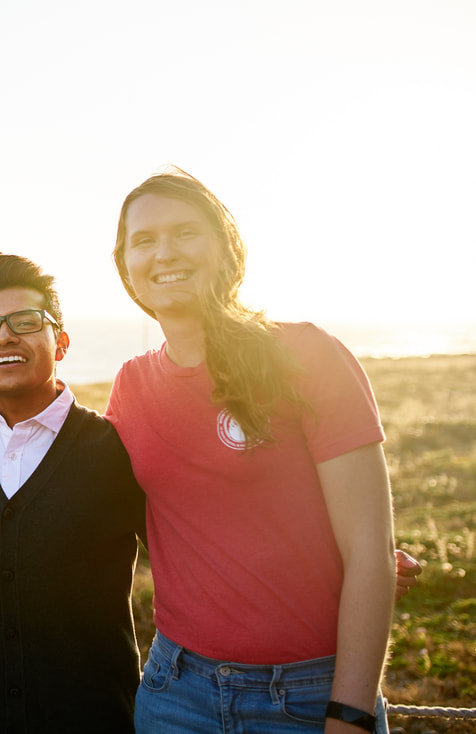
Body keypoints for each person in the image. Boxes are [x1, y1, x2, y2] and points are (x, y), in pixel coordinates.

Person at [108, 169, 396, 733]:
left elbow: (371, 549)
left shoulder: (307, 354)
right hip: (174, 694)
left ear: (225, 248)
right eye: (143, 240)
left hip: (309, 697)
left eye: (185, 232)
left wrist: (351, 714)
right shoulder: (131, 385)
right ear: (125, 266)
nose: (164, 252)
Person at [0, 253, 147, 732]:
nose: (3, 336)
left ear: (60, 342)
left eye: (24, 322)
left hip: (95, 721)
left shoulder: (114, 449)